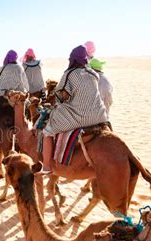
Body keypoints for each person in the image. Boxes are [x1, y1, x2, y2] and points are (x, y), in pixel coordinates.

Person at [41, 45, 108, 173]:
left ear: (72, 59)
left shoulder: (70, 73)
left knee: (47, 131)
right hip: (100, 116)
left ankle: (47, 166)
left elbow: (61, 96)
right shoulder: (93, 73)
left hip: (80, 118)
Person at [0, 50, 29, 125]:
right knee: (27, 105)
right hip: (15, 95)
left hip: (1, 93)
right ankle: (25, 122)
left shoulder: (2, 68)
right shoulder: (20, 68)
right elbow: (25, 83)